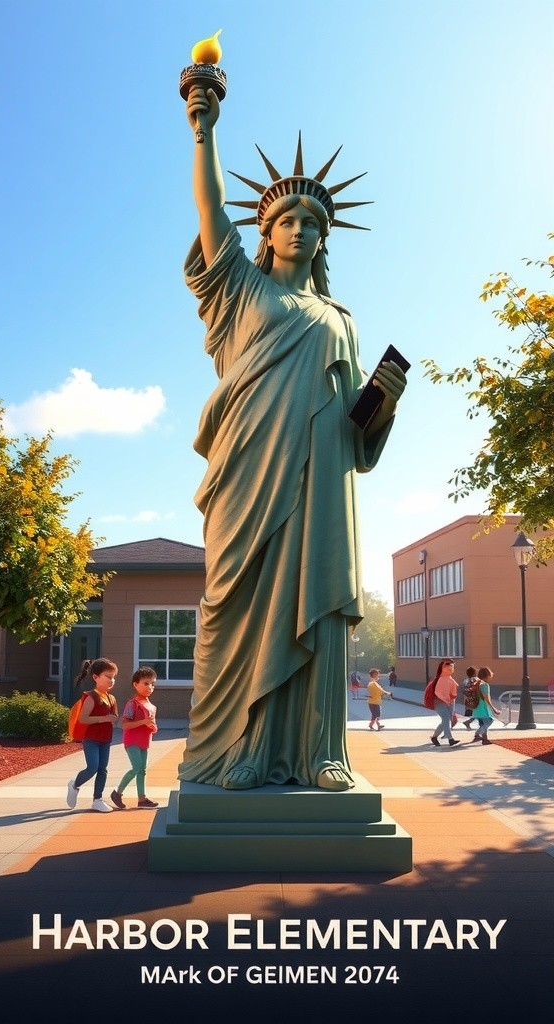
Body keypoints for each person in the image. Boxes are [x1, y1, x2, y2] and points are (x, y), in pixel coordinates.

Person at [178, 84, 406, 793]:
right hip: (250, 470)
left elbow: (356, 423)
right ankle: (244, 750)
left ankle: (320, 754)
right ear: (267, 232)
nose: (300, 229)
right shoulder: (241, 291)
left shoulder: (340, 318)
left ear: (323, 238)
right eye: (287, 220)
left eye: (312, 222)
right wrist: (204, 127)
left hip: (323, 477)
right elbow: (211, 211)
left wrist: (385, 403)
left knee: (319, 605)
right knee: (247, 608)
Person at [66, 658, 119, 812]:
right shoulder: (91, 696)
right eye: (108, 676)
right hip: (91, 739)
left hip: (105, 738)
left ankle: (97, 799)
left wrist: (114, 719)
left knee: (103, 769)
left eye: (114, 677)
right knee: (93, 767)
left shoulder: (111, 698)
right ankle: (74, 784)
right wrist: (104, 718)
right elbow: (83, 719)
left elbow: (114, 716)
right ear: (96, 677)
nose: (112, 680)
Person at [111, 667, 159, 809]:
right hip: (132, 741)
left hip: (145, 742)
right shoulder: (132, 704)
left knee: (142, 770)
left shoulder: (152, 707)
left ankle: (142, 799)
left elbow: (153, 725)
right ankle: (117, 793)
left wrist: (153, 727)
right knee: (137, 768)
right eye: (146, 683)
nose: (150, 687)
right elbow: (125, 725)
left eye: (152, 684)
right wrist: (143, 722)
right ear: (135, 684)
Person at [430, 659, 460, 747]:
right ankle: (450, 739)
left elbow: (453, 694)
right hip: (439, 702)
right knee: (446, 719)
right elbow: (438, 692)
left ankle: (434, 737)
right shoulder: (441, 679)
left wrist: (451, 704)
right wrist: (446, 699)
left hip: (448, 702)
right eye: (448, 667)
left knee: (445, 722)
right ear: (443, 668)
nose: (451, 669)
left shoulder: (450, 679)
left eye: (452, 667)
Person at [471, 666, 500, 745]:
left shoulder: (476, 683)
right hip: (483, 707)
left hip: (476, 707)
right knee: (489, 721)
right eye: (490, 675)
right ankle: (477, 734)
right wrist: (493, 708)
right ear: (487, 675)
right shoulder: (485, 685)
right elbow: (486, 698)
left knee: (482, 723)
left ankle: (485, 739)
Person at [461, 666, 480, 730]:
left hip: (467, 699)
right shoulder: (475, 679)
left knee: (472, 713)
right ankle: (468, 723)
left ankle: (468, 723)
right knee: (478, 713)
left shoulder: (465, 680)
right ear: (474, 673)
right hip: (474, 699)